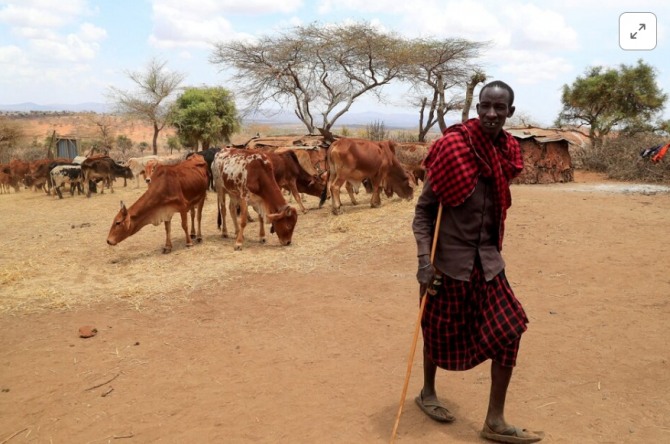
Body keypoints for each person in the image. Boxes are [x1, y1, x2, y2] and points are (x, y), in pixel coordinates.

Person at [411, 80, 544, 443]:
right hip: (447, 263)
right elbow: (424, 213)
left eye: (499, 108)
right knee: (436, 332)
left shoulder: (507, 152)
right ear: (477, 107)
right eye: (485, 106)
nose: (490, 113)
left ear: (509, 113)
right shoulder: (452, 148)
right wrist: (425, 262)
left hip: (488, 262)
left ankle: (494, 421)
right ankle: (427, 392)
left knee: (511, 330)